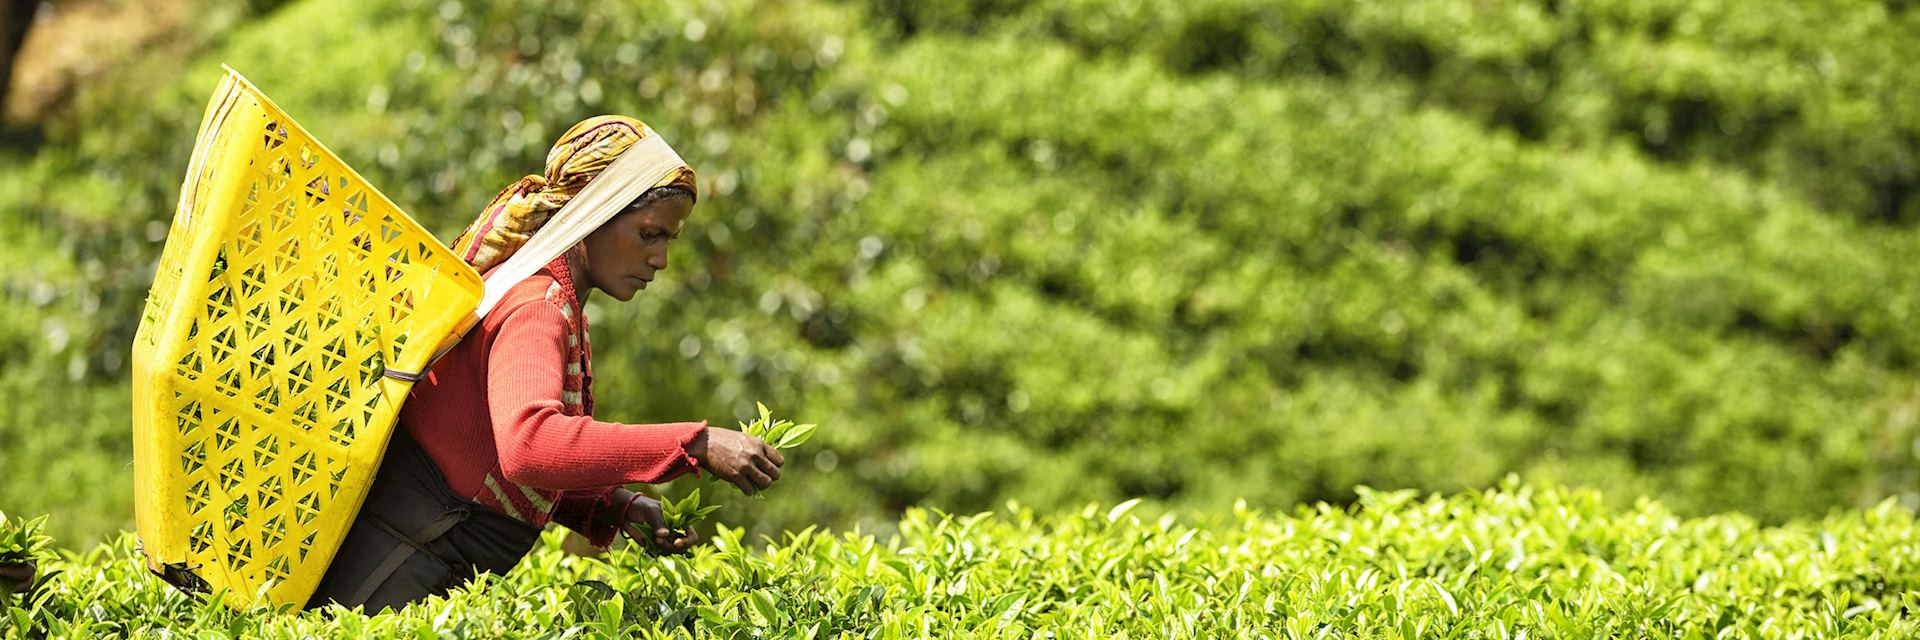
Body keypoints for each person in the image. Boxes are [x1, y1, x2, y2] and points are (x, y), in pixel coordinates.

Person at [306, 116, 786, 612]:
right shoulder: (537, 307)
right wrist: (696, 444)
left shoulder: (545, 297)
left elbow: (486, 460)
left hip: (403, 576)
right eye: (648, 234)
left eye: (668, 239)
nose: (660, 258)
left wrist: (614, 505)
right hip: (382, 583)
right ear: (594, 214)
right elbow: (529, 447)